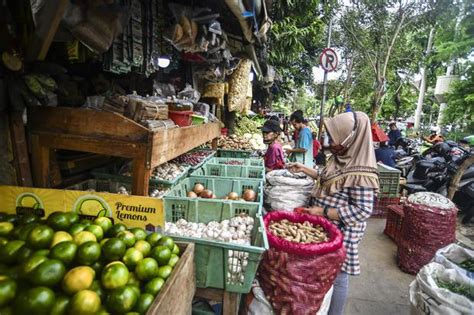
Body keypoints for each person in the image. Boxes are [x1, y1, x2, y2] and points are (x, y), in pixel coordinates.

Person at [287, 111, 378, 315]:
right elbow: (328, 178)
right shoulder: (340, 158)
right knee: (324, 271)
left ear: (352, 137)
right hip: (326, 227)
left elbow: (362, 210)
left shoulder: (362, 171)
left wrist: (323, 211)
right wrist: (304, 168)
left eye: (335, 138)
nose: (331, 142)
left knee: (338, 275)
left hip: (342, 234)